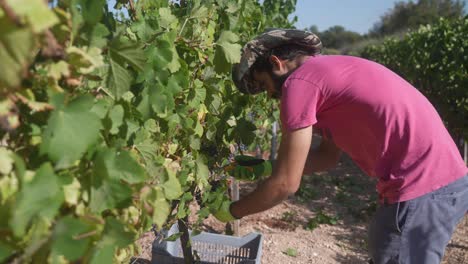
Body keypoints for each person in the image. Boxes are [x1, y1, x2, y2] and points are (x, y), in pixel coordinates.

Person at [214, 28, 468, 264]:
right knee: (384, 241)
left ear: (276, 63)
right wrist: (266, 167)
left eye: (264, 85)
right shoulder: (328, 75)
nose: (269, 95)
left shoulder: (300, 83)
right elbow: (327, 157)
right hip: (438, 184)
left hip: (424, 188)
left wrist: (234, 211)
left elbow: (285, 185)